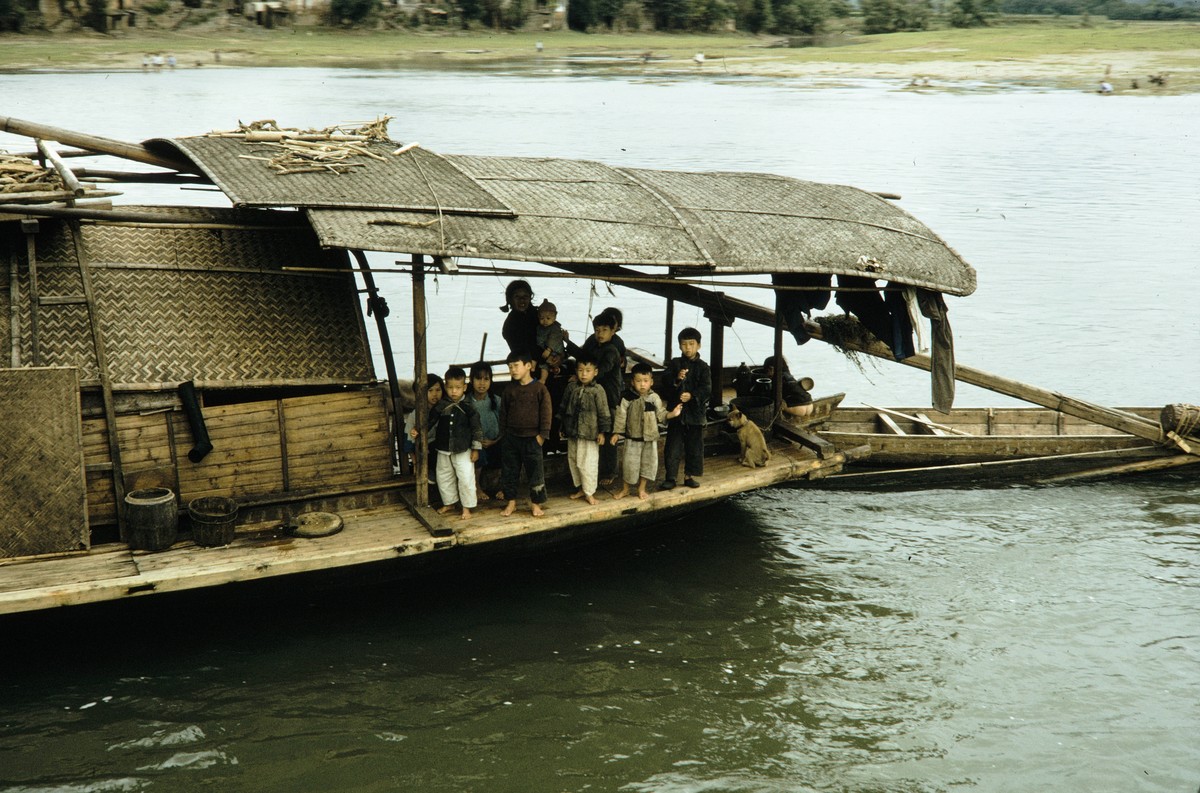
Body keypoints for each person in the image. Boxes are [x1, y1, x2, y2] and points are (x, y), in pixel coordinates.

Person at [612, 363, 680, 501]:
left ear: (651, 382)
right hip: (632, 438)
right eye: (638, 381)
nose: (642, 384)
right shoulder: (627, 397)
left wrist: (672, 414)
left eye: (645, 381)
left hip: (650, 439)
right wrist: (616, 433)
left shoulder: (654, 398)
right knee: (629, 465)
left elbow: (661, 414)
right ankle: (625, 489)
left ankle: (641, 488)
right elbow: (621, 416)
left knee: (648, 465)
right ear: (632, 382)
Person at [499, 350, 552, 518]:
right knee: (509, 472)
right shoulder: (509, 390)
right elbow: (503, 414)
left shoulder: (540, 389)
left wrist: (542, 436)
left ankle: (536, 504)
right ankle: (511, 502)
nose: (512, 370)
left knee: (535, 473)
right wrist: (504, 435)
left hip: (533, 439)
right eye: (509, 367)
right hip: (511, 439)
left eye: (516, 366)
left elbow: (546, 413)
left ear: (528, 366)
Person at [428, 367, 482, 520]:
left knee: (466, 478)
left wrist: (476, 449)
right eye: (450, 387)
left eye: (458, 388)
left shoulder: (470, 407)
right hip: (443, 448)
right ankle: (449, 502)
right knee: (444, 476)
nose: (453, 391)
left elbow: (477, 428)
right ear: (446, 387)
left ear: (464, 387)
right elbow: (430, 421)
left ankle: (467, 507)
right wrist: (419, 430)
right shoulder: (441, 405)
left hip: (463, 449)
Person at [661, 327, 711, 490]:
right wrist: (676, 379)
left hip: (695, 414)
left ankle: (689, 476)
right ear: (679, 346)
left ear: (699, 346)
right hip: (677, 412)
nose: (688, 348)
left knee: (694, 446)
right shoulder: (675, 363)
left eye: (691, 344)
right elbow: (665, 385)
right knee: (673, 446)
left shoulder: (704, 367)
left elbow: (706, 389)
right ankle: (671, 477)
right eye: (684, 344)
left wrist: (692, 396)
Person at [559, 354, 611, 505]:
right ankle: (581, 488)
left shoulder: (598, 390)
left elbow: (604, 412)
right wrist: (562, 426)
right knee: (574, 461)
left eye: (588, 370)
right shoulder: (571, 387)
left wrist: (602, 432)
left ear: (595, 372)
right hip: (573, 433)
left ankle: (590, 492)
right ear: (576, 371)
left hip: (590, 434)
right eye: (580, 370)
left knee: (588, 463)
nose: (584, 374)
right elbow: (563, 408)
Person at [590, 312, 624, 484]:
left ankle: (610, 472)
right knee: (600, 433)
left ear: (613, 331)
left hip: (610, 399)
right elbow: (585, 357)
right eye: (597, 330)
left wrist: (585, 376)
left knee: (609, 435)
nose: (600, 333)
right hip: (599, 398)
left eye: (604, 330)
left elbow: (602, 370)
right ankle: (599, 470)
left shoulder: (611, 350)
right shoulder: (597, 347)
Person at [468, 361, 502, 502]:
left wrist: (495, 441)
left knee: (510, 450)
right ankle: (477, 487)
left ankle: (504, 487)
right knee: (478, 454)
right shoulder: (466, 402)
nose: (482, 383)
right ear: (471, 380)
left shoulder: (496, 401)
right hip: (474, 444)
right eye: (478, 378)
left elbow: (505, 426)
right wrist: (477, 443)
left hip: (495, 441)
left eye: (486, 379)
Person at [404, 373, 443, 481]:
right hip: (427, 450)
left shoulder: (445, 409)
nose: (435, 394)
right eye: (430, 391)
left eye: (438, 390)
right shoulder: (415, 415)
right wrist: (416, 463)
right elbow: (409, 439)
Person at [500, 280, 538, 357]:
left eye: (525, 296)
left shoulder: (540, 314)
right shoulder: (510, 324)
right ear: (510, 299)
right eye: (517, 296)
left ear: (530, 297)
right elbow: (520, 353)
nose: (522, 300)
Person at [535, 299, 565, 383]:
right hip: (543, 349)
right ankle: (542, 377)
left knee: (548, 364)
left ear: (555, 317)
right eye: (542, 318)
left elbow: (553, 338)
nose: (545, 321)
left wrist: (549, 349)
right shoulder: (539, 328)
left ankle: (546, 376)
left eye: (548, 318)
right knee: (543, 364)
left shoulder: (555, 328)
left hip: (554, 350)